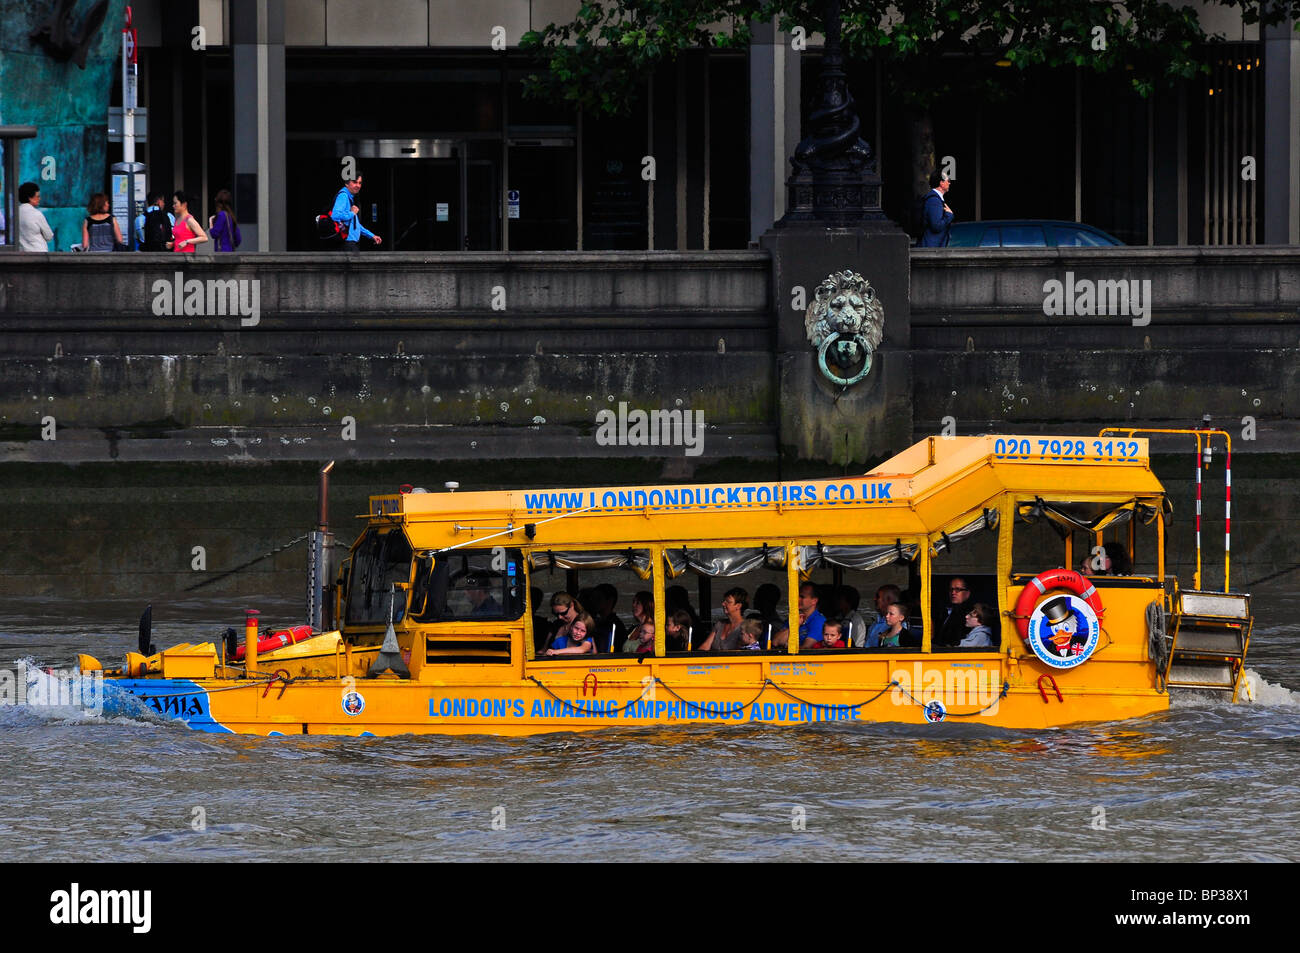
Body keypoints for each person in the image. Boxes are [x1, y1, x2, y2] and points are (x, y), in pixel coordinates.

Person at [331, 173, 382, 248]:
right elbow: (335, 216)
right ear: (347, 184)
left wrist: (372, 236)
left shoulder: (349, 197)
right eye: (355, 182)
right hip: (346, 243)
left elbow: (355, 225)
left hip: (350, 243)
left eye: (360, 183)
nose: (358, 185)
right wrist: (352, 213)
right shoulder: (344, 196)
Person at [772, 582, 826, 651]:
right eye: (797, 596)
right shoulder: (795, 618)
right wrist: (795, 625)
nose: (797, 599)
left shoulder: (819, 621)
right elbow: (775, 642)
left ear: (814, 601)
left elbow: (806, 648)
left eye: (802, 597)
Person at [701, 587, 747, 652]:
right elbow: (705, 646)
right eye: (724, 601)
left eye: (728, 602)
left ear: (738, 606)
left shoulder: (746, 627)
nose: (723, 604)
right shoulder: (719, 624)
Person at [934, 576, 972, 648]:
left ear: (967, 594)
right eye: (951, 589)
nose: (953, 592)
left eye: (957, 589)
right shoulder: (945, 611)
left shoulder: (969, 614)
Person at [919, 171, 954, 247]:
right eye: (948, 181)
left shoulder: (934, 199)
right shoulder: (934, 201)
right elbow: (936, 226)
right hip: (930, 248)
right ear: (941, 183)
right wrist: (949, 215)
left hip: (931, 247)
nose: (949, 183)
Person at [591, 583, 627, 652]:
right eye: (593, 598)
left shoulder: (615, 625)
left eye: (598, 598)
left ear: (610, 601)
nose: (593, 602)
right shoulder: (597, 621)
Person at [17, 183, 53, 252]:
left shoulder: (15, 214)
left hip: (21, 254)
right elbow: (49, 236)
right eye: (37, 196)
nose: (39, 199)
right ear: (30, 198)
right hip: (39, 253)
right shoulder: (36, 214)